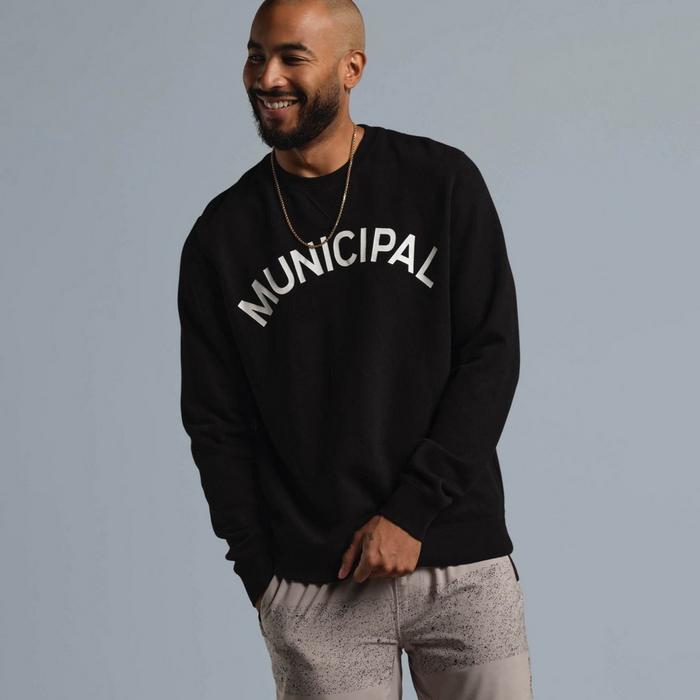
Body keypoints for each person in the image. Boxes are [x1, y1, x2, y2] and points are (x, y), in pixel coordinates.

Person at [177, 0, 534, 697]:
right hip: (316, 587)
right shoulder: (222, 236)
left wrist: (412, 511)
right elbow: (216, 422)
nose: (267, 76)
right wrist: (263, 579)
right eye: (255, 55)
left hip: (459, 562)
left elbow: (490, 355)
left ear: (352, 68)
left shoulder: (439, 182)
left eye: (292, 57)